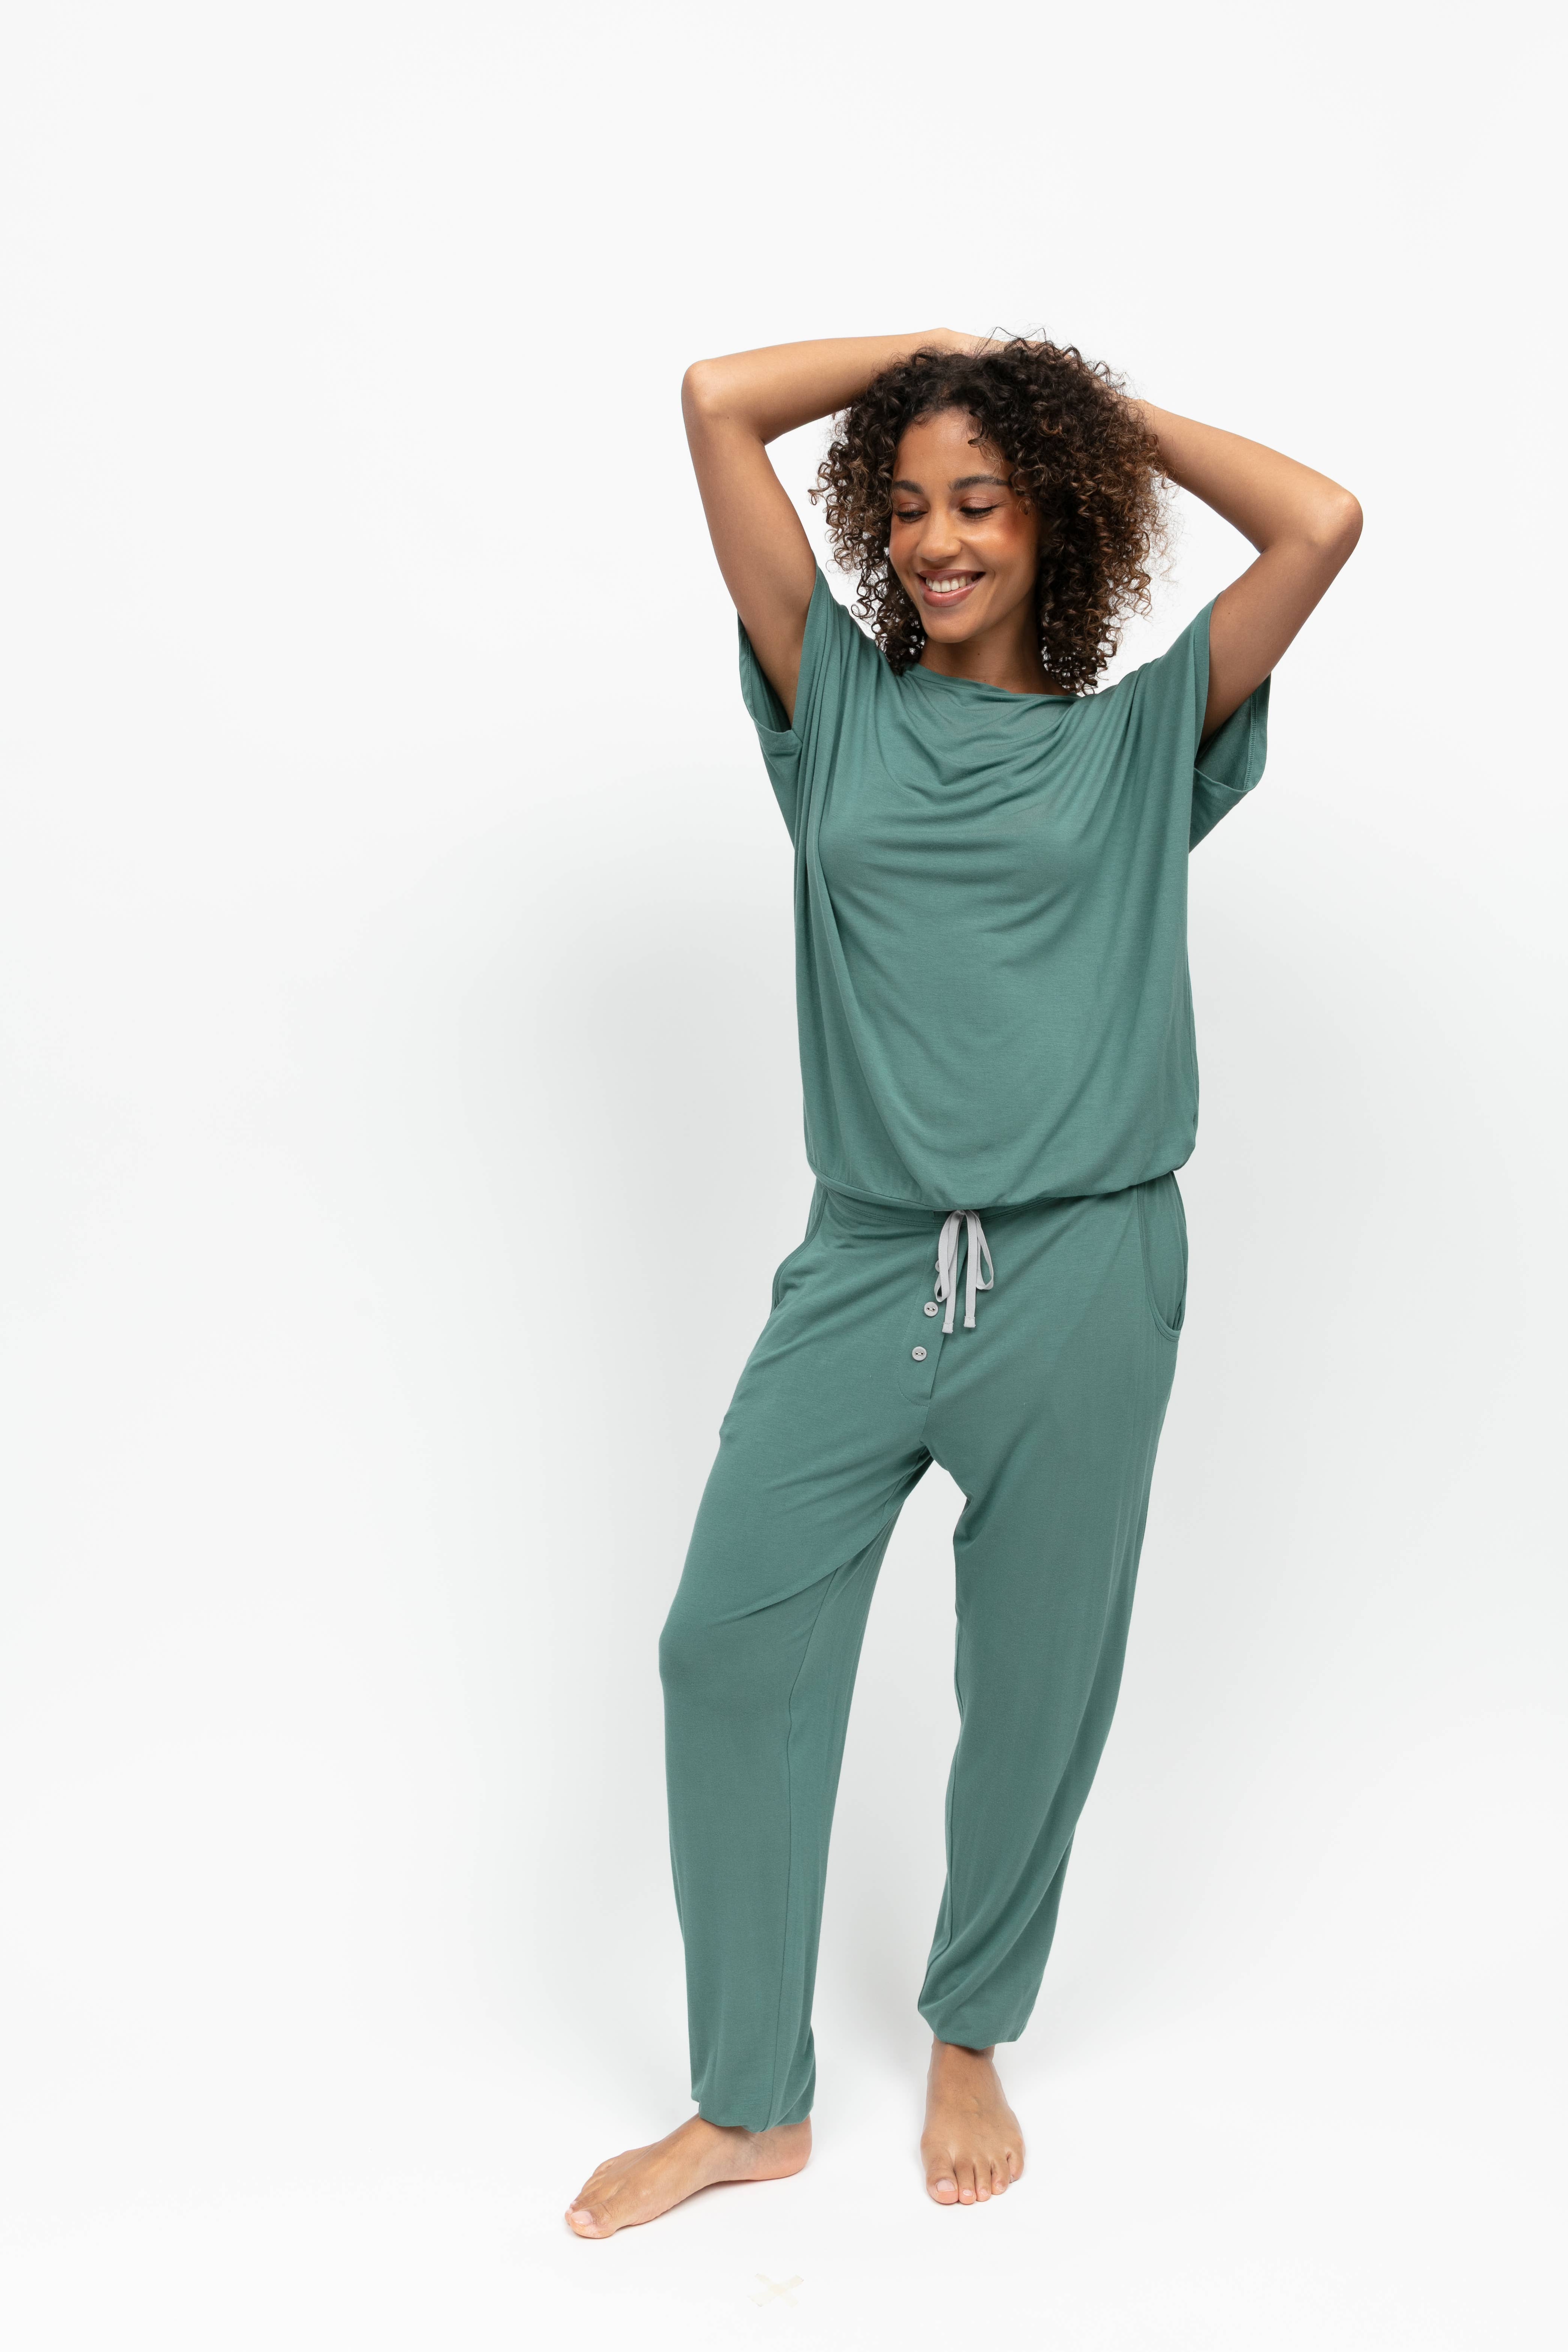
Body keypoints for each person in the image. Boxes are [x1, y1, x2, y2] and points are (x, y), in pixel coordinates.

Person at [564, 329, 1360, 2238]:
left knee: (1032, 1684)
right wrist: (951, 353)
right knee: (722, 1647)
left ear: (1053, 517)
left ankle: (968, 2030)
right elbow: (715, 402)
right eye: (909, 505)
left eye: (982, 502)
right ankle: (746, 2102)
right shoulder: (828, 702)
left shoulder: (1137, 740)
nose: (935, 540)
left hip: (1086, 1264)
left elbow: (1320, 522)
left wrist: (1074, 406)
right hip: (862, 1260)